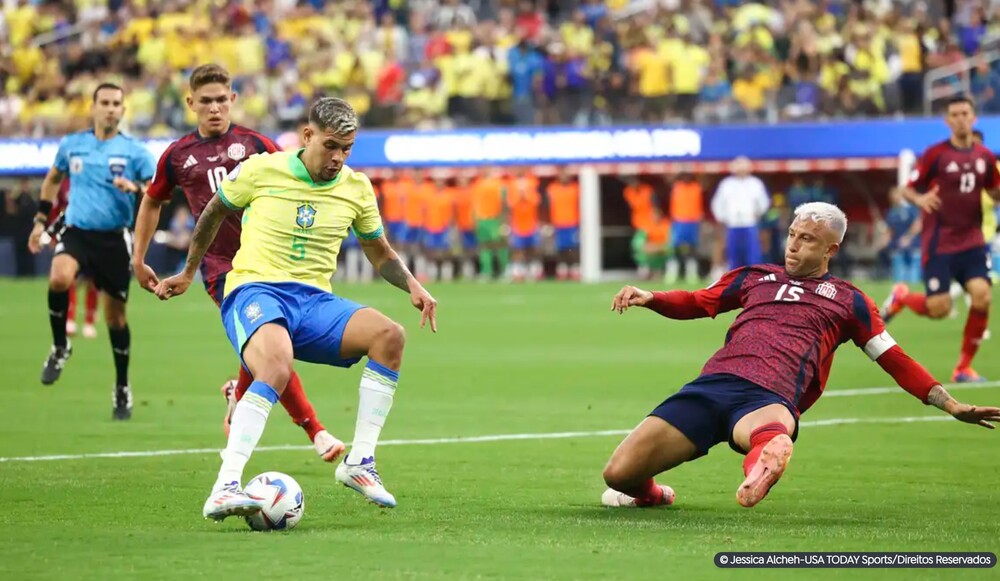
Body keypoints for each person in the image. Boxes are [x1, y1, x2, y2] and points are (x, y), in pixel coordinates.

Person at [602, 202, 1000, 510]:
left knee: (769, 435)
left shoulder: (851, 302)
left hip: (769, 398)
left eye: (807, 239)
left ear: (831, 249)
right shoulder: (754, 276)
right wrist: (651, 298)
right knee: (618, 473)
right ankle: (653, 495)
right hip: (712, 386)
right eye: (792, 234)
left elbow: (893, 358)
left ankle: (764, 464)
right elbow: (696, 301)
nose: (793, 244)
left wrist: (949, 404)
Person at [154, 97, 437, 520]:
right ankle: (225, 485)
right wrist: (187, 271)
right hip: (254, 290)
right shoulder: (262, 169)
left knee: (389, 336)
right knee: (276, 361)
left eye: (347, 149)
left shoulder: (356, 188)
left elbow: (379, 252)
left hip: (314, 302)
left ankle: (360, 463)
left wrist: (412, 284)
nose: (338, 158)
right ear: (307, 136)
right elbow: (213, 214)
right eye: (331, 146)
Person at [128, 64, 344, 461]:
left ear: (233, 100)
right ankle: (317, 431)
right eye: (205, 101)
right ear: (190, 103)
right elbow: (152, 201)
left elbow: (297, 179)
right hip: (222, 269)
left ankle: (238, 393)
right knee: (275, 347)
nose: (214, 108)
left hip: (271, 262)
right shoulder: (177, 155)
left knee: (271, 345)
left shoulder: (256, 144)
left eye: (221, 100)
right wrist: (138, 258)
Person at [27, 82, 155, 420]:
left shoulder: (135, 152)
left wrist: (137, 187)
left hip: (114, 239)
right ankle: (59, 347)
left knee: (115, 319)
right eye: (105, 102)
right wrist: (41, 221)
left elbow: (160, 192)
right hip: (78, 232)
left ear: (123, 110)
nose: (111, 108)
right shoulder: (73, 145)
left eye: (116, 103)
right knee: (59, 278)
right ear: (93, 107)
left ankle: (122, 386)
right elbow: (53, 179)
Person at [881, 96, 1000, 383]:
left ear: (974, 118)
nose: (960, 119)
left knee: (982, 297)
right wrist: (921, 198)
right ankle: (903, 297)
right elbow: (908, 188)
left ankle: (963, 368)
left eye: (965, 113)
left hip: (972, 241)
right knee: (939, 309)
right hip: (940, 243)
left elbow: (995, 192)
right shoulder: (936, 155)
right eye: (955, 114)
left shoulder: (985, 157)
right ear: (947, 121)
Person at [710, 156, 770, 269]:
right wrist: (722, 218)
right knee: (733, 255)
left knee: (752, 254)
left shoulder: (755, 183)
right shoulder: (726, 184)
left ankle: (753, 276)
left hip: (750, 223)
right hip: (733, 224)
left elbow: (764, 202)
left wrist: (758, 213)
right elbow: (717, 203)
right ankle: (735, 277)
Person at [546, 167, 581, 281]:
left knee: (573, 248)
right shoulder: (552, 188)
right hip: (558, 223)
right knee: (560, 248)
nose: (563, 176)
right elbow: (548, 206)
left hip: (572, 223)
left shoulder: (575, 188)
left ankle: (575, 269)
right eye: (561, 174)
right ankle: (562, 270)